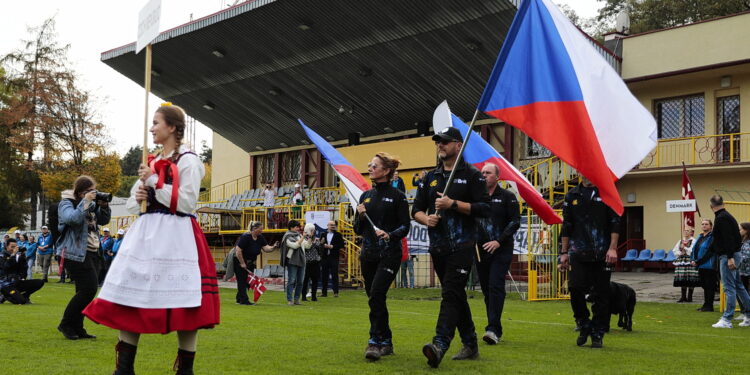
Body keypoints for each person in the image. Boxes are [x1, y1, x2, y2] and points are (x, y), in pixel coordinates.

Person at [83, 104, 220, 374]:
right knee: (129, 297)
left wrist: (156, 182)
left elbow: (186, 202)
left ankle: (185, 369)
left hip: (177, 234)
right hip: (146, 235)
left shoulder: (189, 160)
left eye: (156, 123)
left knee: (185, 301)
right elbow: (135, 205)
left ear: (172, 127)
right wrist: (140, 195)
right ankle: (124, 369)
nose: (151, 128)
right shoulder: (153, 162)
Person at [412, 127, 490, 368]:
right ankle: (471, 343)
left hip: (463, 245)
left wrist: (452, 204)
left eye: (445, 142)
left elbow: (485, 209)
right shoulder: (429, 178)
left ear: (458, 145)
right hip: (438, 246)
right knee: (455, 294)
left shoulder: (473, 176)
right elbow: (415, 210)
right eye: (438, 142)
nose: (440, 145)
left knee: (450, 293)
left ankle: (440, 344)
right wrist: (427, 219)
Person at [354, 152, 410, 360]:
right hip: (368, 254)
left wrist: (390, 234)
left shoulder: (398, 197)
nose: (369, 167)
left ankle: (374, 342)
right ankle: (386, 340)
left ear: (386, 171)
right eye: (369, 164)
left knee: (377, 294)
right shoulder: (365, 196)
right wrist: (359, 216)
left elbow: (406, 226)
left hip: (389, 254)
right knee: (375, 298)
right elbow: (358, 229)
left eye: (374, 165)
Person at [558, 177, 620, 348]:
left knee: (601, 294)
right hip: (578, 252)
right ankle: (584, 323)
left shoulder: (607, 193)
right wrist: (563, 252)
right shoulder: (572, 195)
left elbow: (615, 222)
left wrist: (612, 248)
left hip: (602, 253)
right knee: (575, 288)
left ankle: (598, 333)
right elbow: (567, 225)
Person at [55, 175, 111, 341]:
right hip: (74, 253)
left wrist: (104, 206)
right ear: (79, 192)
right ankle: (65, 324)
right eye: (89, 191)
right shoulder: (66, 203)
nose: (93, 194)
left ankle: (78, 327)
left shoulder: (92, 205)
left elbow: (104, 220)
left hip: (92, 252)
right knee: (89, 289)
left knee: (83, 291)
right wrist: (85, 202)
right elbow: (72, 219)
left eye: (93, 191)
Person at [475, 163, 520, 345]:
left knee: (495, 286)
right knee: (486, 290)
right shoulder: (476, 197)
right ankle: (495, 327)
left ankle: (492, 328)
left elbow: (515, 222)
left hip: (501, 249)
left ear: (497, 177)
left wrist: (498, 241)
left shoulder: (508, 197)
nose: (484, 175)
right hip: (480, 250)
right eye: (482, 172)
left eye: (488, 173)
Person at [706, 195, 750, 328]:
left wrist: (730, 258)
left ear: (711, 206)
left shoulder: (721, 218)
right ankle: (748, 315)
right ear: (723, 203)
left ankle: (727, 319)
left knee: (729, 287)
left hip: (728, 256)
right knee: (739, 286)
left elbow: (728, 239)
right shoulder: (726, 216)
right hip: (732, 254)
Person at [234, 221, 277, 305]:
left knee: (247, 281)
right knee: (242, 281)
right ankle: (244, 300)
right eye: (260, 229)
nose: (262, 230)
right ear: (254, 229)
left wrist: (273, 247)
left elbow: (266, 248)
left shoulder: (260, 237)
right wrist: (242, 263)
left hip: (250, 262)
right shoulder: (245, 237)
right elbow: (238, 251)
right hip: (240, 261)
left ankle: (239, 298)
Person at [0, 239, 44, 304]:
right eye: (12, 247)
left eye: (15, 247)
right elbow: (6, 266)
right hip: (6, 285)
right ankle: (5, 296)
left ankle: (25, 296)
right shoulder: (2, 255)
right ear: (7, 246)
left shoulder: (18, 256)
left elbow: (24, 268)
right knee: (21, 301)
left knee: (40, 282)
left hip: (16, 282)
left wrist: (23, 277)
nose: (14, 249)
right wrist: (13, 255)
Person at [691, 219, 717, 312]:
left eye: (706, 224)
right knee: (704, 286)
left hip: (709, 265)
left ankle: (709, 306)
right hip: (700, 265)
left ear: (711, 226)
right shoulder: (700, 236)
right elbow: (694, 249)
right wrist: (693, 259)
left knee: (710, 286)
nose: (704, 226)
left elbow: (710, 252)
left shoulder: (713, 236)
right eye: (702, 224)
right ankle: (705, 305)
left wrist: (698, 261)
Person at [281, 220, 306, 305]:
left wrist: (310, 239)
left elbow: (306, 246)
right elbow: (295, 245)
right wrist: (303, 237)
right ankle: (289, 299)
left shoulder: (299, 235)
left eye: (299, 227)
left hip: (301, 260)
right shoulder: (287, 236)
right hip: (292, 261)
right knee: (291, 280)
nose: (298, 228)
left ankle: (296, 299)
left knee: (300, 281)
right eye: (297, 227)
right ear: (291, 227)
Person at [672, 228, 698, 303]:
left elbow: (693, 250)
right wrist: (680, 253)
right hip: (681, 261)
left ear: (691, 232)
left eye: (688, 231)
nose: (686, 232)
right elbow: (675, 250)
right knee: (682, 277)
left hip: (690, 260)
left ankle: (690, 297)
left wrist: (685, 248)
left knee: (691, 277)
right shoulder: (680, 241)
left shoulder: (694, 241)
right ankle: (683, 296)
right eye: (685, 231)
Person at [321, 220, 344, 297]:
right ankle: (324, 293)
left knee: (334, 275)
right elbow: (320, 244)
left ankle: (336, 292)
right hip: (325, 257)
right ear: (327, 225)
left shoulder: (338, 235)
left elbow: (341, 245)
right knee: (324, 275)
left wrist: (332, 246)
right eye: (331, 225)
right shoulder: (323, 234)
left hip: (334, 257)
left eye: (334, 225)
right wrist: (323, 245)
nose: (333, 226)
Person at [301, 223, 322, 302]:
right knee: (305, 280)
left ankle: (314, 296)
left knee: (315, 280)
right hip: (307, 262)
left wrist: (320, 242)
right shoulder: (303, 239)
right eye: (312, 230)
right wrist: (311, 238)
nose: (314, 231)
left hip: (315, 262)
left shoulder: (316, 239)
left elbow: (319, 248)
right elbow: (307, 246)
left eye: (314, 230)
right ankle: (303, 296)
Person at [735, 222, 750, 320]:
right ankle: (744, 311)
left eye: (740, 229)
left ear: (746, 230)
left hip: (747, 271)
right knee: (740, 291)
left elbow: (747, 256)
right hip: (742, 271)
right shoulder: (742, 241)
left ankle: (747, 312)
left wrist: (735, 259)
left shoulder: (748, 242)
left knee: (745, 292)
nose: (739, 231)